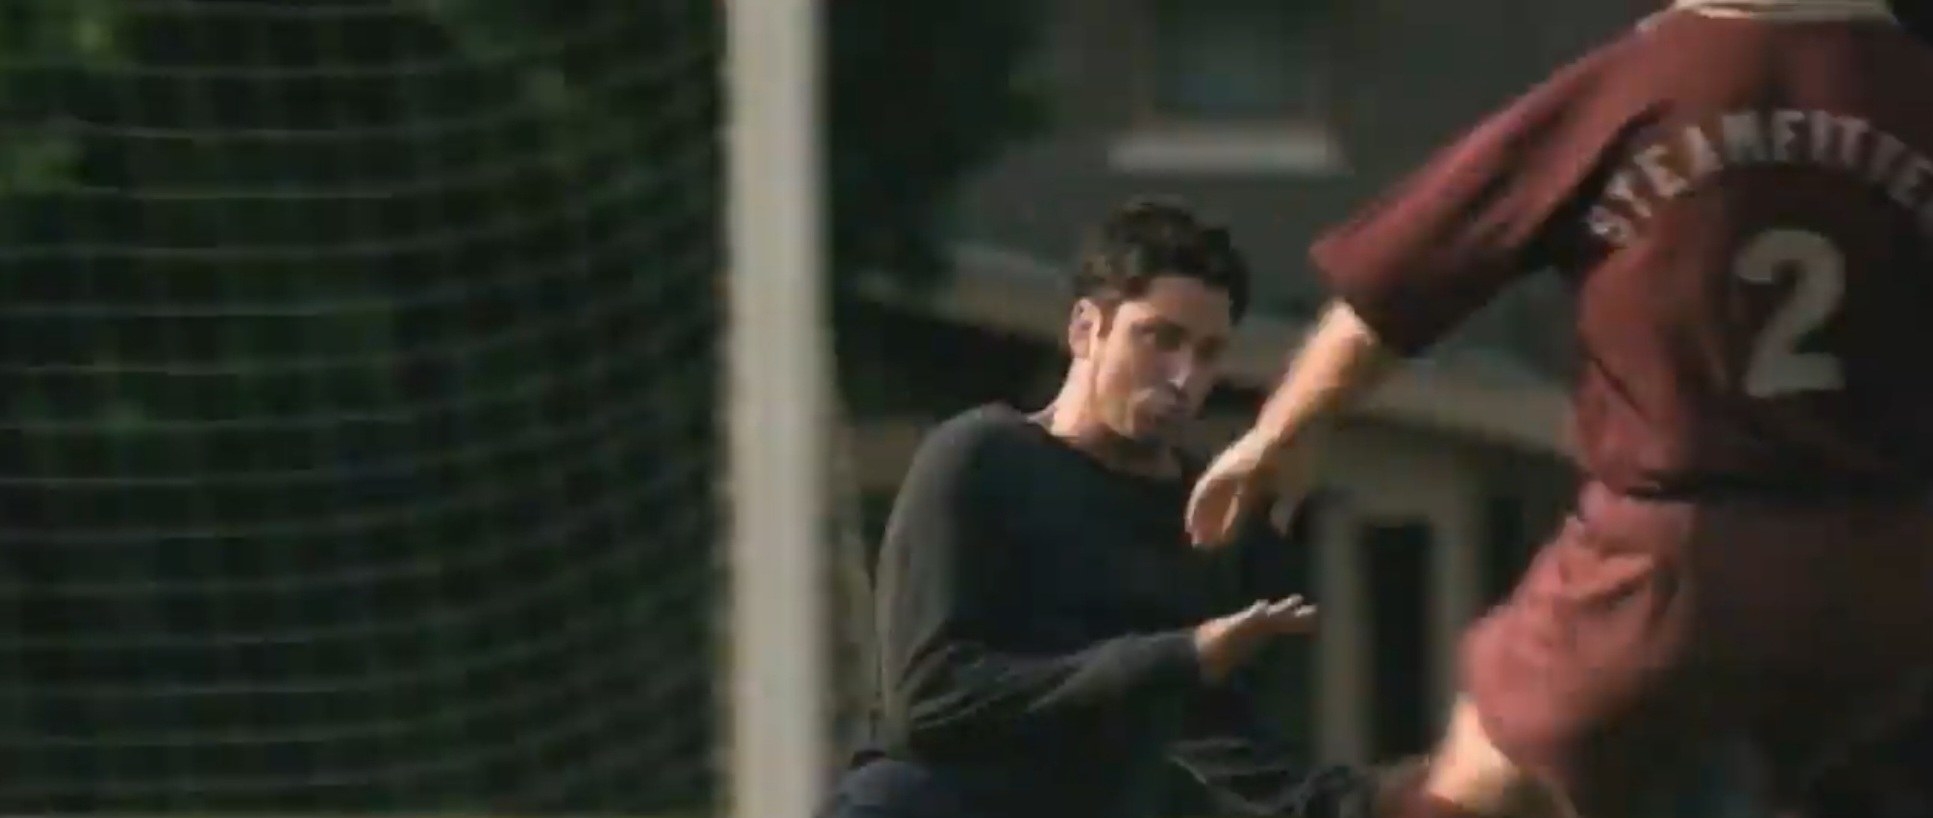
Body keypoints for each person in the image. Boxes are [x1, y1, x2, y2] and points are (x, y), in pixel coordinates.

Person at [1184, 1, 1933, 818]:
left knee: (1483, 781)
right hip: (1892, 566)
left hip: (1662, 559)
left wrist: (1282, 429)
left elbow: (1411, 271)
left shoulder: (1638, 81)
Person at [817, 200, 1370, 818]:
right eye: (1161, 339)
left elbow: (1211, 726)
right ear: (1086, 328)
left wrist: (1370, 802)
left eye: (1209, 353)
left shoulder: (1200, 506)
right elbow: (928, 704)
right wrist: (1180, 655)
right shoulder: (982, 458)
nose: (1184, 378)